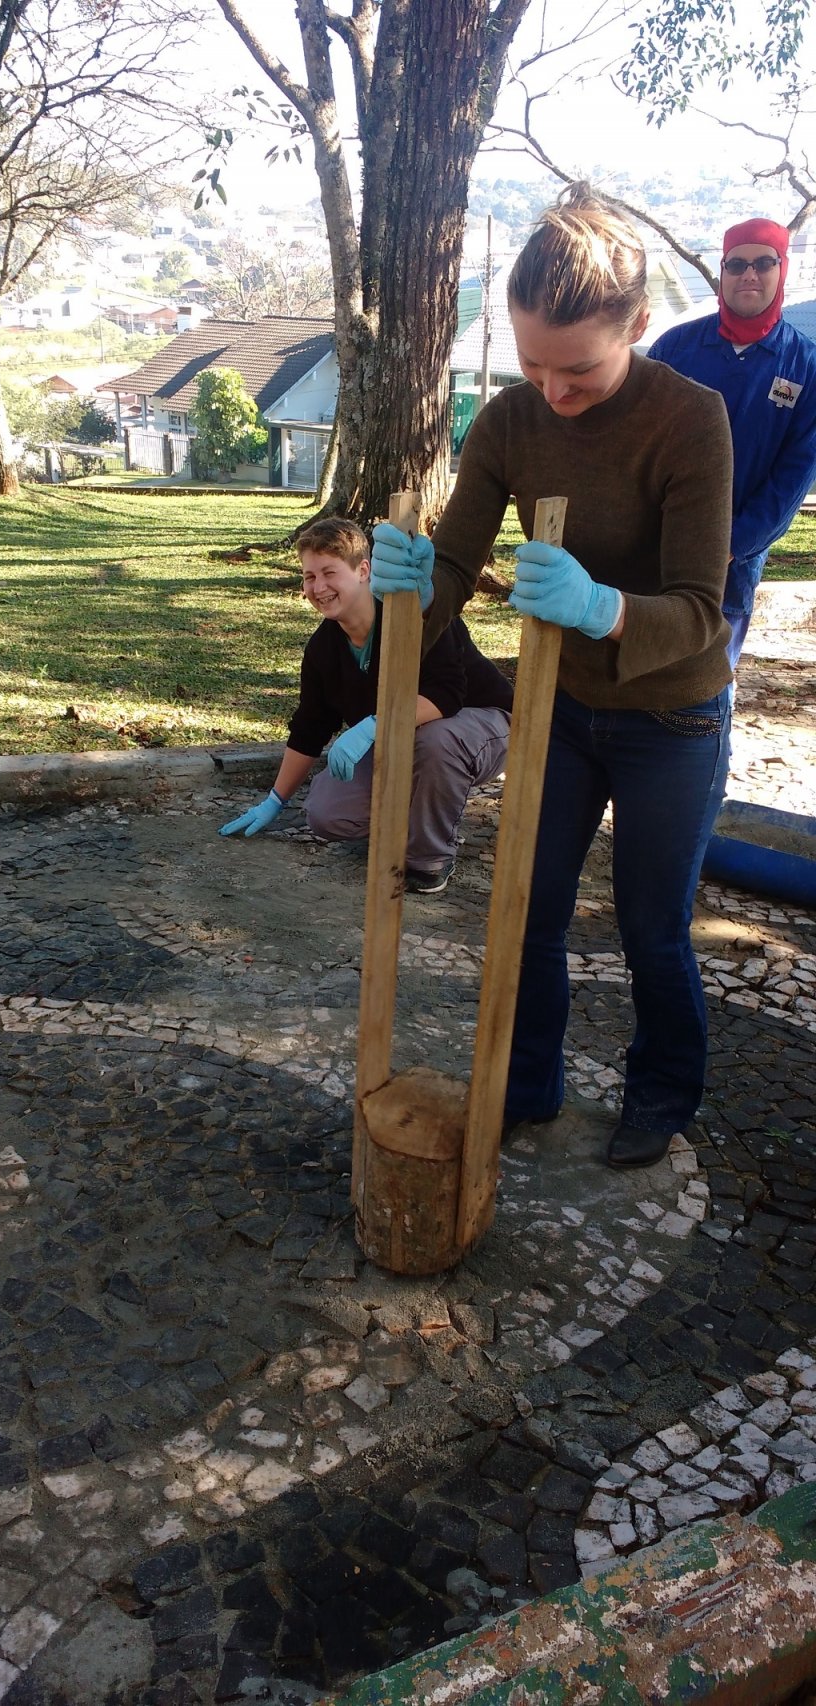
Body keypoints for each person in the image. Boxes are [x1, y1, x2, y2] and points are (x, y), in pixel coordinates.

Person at [370, 186, 734, 1169]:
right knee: (526, 906)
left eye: (577, 368)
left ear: (637, 328)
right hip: (563, 708)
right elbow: (451, 568)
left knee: (653, 925)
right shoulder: (509, 422)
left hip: (675, 714)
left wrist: (601, 604)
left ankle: (660, 1093)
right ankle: (527, 1082)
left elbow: (705, 611)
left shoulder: (691, 419)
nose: (552, 389)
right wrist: (406, 590)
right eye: (532, 361)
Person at [219, 517, 512, 894]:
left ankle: (429, 859)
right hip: (402, 738)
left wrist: (375, 724)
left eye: (329, 572)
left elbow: (448, 695)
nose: (318, 587)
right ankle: (419, 809)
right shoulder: (323, 648)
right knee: (327, 814)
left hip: (483, 724)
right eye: (309, 577)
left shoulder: (418, 613)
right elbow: (310, 726)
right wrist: (275, 801)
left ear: (363, 570)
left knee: (437, 741)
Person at [649, 217, 816, 667]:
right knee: (637, 678)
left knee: (707, 689)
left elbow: (792, 479)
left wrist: (729, 545)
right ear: (721, 271)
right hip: (650, 553)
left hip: (731, 571)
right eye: (737, 263)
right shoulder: (673, 350)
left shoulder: (806, 368)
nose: (749, 274)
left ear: (782, 271)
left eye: (764, 262)